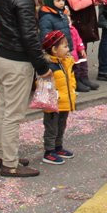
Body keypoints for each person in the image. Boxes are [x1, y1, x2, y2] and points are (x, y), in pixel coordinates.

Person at [0, 0, 53, 177]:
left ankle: (1, 155)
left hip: (1, 56)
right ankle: (10, 163)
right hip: (18, 61)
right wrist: (42, 66)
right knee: (13, 116)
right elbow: (29, 35)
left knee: (4, 110)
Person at [61, 0, 106, 91]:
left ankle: (83, 77)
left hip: (85, 22)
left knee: (83, 51)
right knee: (76, 51)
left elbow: (86, 0)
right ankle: (75, 79)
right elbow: (75, 5)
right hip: (77, 23)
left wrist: (100, 0)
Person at [39, 29, 76, 165]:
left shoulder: (66, 62)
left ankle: (58, 147)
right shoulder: (48, 66)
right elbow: (43, 84)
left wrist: (72, 91)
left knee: (61, 125)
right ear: (54, 49)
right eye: (65, 46)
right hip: (53, 104)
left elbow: (71, 79)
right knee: (51, 128)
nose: (68, 49)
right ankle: (49, 151)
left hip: (65, 102)